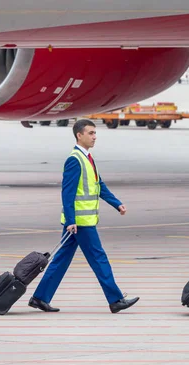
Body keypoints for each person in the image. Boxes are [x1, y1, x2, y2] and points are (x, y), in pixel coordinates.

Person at [29, 119, 139, 314]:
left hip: (80, 222)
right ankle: (115, 300)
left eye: (95, 133)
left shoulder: (88, 157)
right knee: (99, 258)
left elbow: (99, 186)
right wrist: (71, 221)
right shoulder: (75, 160)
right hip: (80, 222)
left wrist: (116, 203)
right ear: (79, 135)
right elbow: (67, 193)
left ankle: (40, 297)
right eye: (90, 133)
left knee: (61, 260)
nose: (94, 137)